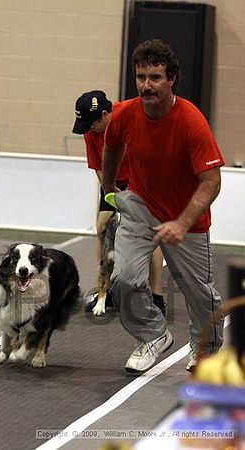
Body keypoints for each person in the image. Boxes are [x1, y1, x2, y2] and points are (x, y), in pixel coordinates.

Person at [102, 39, 224, 373]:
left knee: (198, 293)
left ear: (171, 79)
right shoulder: (125, 113)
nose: (146, 85)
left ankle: (205, 348)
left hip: (187, 216)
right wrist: (109, 185)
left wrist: (182, 223)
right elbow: (112, 144)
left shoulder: (191, 122)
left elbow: (212, 181)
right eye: (140, 77)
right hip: (141, 206)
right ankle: (153, 335)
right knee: (124, 278)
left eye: (154, 77)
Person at [72, 90, 166, 314]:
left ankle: (156, 295)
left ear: (105, 115)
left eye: (91, 124)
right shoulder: (90, 131)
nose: (88, 129)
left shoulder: (130, 118)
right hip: (112, 181)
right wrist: (112, 196)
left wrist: (130, 202)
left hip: (142, 179)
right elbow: (98, 167)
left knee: (150, 233)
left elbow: (146, 159)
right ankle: (107, 289)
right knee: (102, 226)